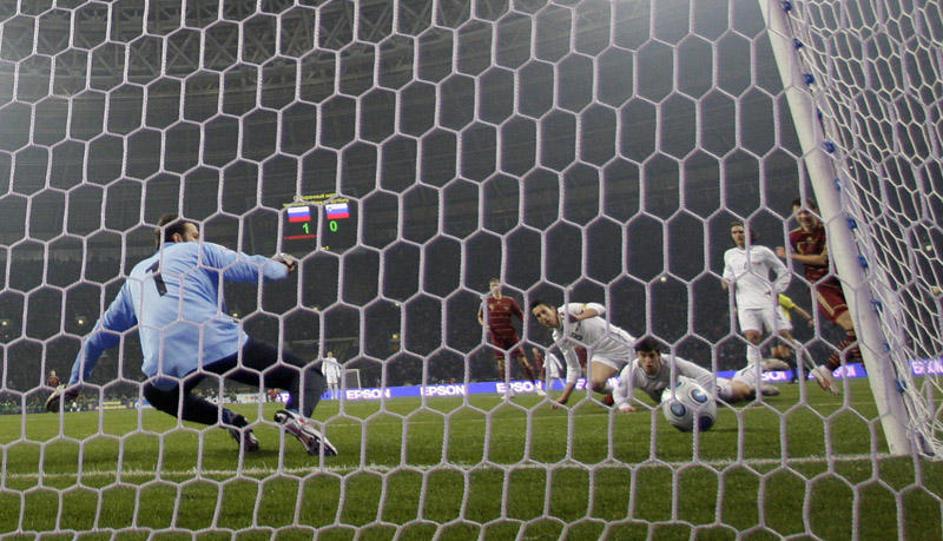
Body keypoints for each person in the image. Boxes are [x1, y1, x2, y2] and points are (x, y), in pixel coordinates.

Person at [47, 214, 336, 456]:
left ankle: (232, 422)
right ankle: (297, 414)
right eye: (194, 235)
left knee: (156, 393)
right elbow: (253, 269)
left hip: (165, 362)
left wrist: (74, 384)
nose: (198, 239)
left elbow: (97, 338)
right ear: (177, 238)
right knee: (309, 375)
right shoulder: (197, 251)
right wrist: (281, 265)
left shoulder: (134, 277)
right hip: (217, 342)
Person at [777, 198, 860, 393]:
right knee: (854, 328)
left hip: (845, 283)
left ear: (815, 211)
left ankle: (830, 369)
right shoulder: (793, 236)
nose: (803, 216)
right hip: (822, 286)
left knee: (860, 333)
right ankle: (828, 369)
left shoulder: (829, 228)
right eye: (799, 213)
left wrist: (790, 255)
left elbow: (823, 260)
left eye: (807, 211)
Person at [613, 337, 790, 412]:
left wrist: (708, 401)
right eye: (643, 356)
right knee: (746, 394)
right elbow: (619, 392)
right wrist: (623, 406)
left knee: (740, 392)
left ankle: (759, 367)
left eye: (651, 356)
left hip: (698, 390)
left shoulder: (672, 363)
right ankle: (756, 389)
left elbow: (705, 376)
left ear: (659, 355)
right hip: (676, 400)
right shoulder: (631, 370)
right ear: (637, 356)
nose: (648, 361)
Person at [531, 300, 634, 407]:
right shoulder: (558, 337)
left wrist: (579, 317)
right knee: (595, 384)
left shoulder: (568, 310)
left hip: (620, 342)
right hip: (603, 354)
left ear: (553, 309)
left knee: (644, 374)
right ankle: (617, 394)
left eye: (544, 312)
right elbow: (573, 367)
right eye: (538, 316)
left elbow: (600, 308)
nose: (543, 317)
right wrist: (564, 397)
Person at [722, 221, 791, 371]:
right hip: (744, 302)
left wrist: (777, 288)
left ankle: (814, 369)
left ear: (749, 233)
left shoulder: (762, 251)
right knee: (752, 338)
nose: (738, 235)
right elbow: (727, 277)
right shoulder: (729, 254)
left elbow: (783, 270)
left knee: (784, 336)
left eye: (741, 231)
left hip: (765, 300)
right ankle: (753, 374)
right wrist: (726, 283)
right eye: (734, 232)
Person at [478, 278, 540, 395]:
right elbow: (480, 316)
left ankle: (536, 387)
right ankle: (508, 390)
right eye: (492, 286)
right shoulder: (486, 301)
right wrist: (484, 325)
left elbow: (520, 314)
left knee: (524, 362)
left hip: (511, 336)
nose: (494, 287)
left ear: (500, 286)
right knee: (501, 365)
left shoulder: (509, 300)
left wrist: (526, 323)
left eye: (496, 285)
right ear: (490, 288)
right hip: (497, 337)